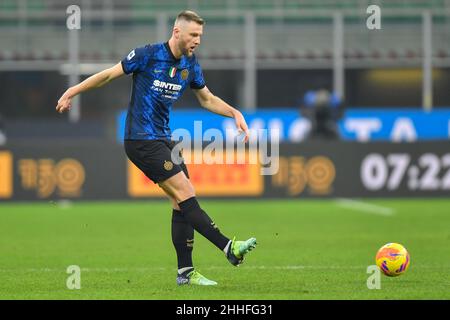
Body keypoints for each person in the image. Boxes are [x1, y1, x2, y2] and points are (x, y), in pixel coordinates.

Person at [56, 10, 257, 286]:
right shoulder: (147, 55)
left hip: (164, 138)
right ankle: (228, 247)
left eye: (200, 36)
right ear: (177, 32)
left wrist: (235, 113)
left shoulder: (190, 64)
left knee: (181, 201)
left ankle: (185, 273)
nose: (198, 40)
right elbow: (107, 76)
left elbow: (207, 99)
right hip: (140, 139)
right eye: (194, 35)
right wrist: (72, 91)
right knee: (186, 192)